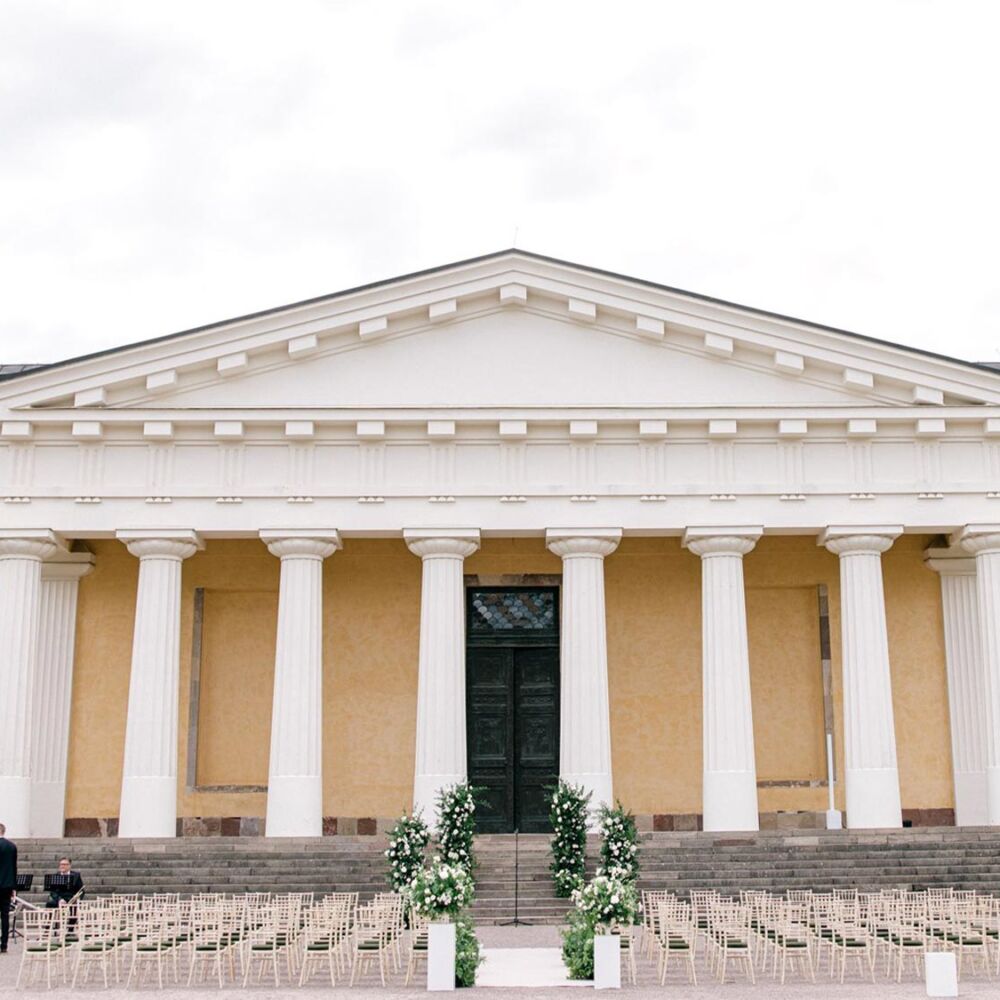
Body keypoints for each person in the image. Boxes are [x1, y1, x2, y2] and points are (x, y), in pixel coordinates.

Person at [0, 822, 16, 955]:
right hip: (7, 885)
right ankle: (4, 944)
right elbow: (13, 867)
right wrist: (13, 886)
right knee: (5, 916)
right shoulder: (11, 846)